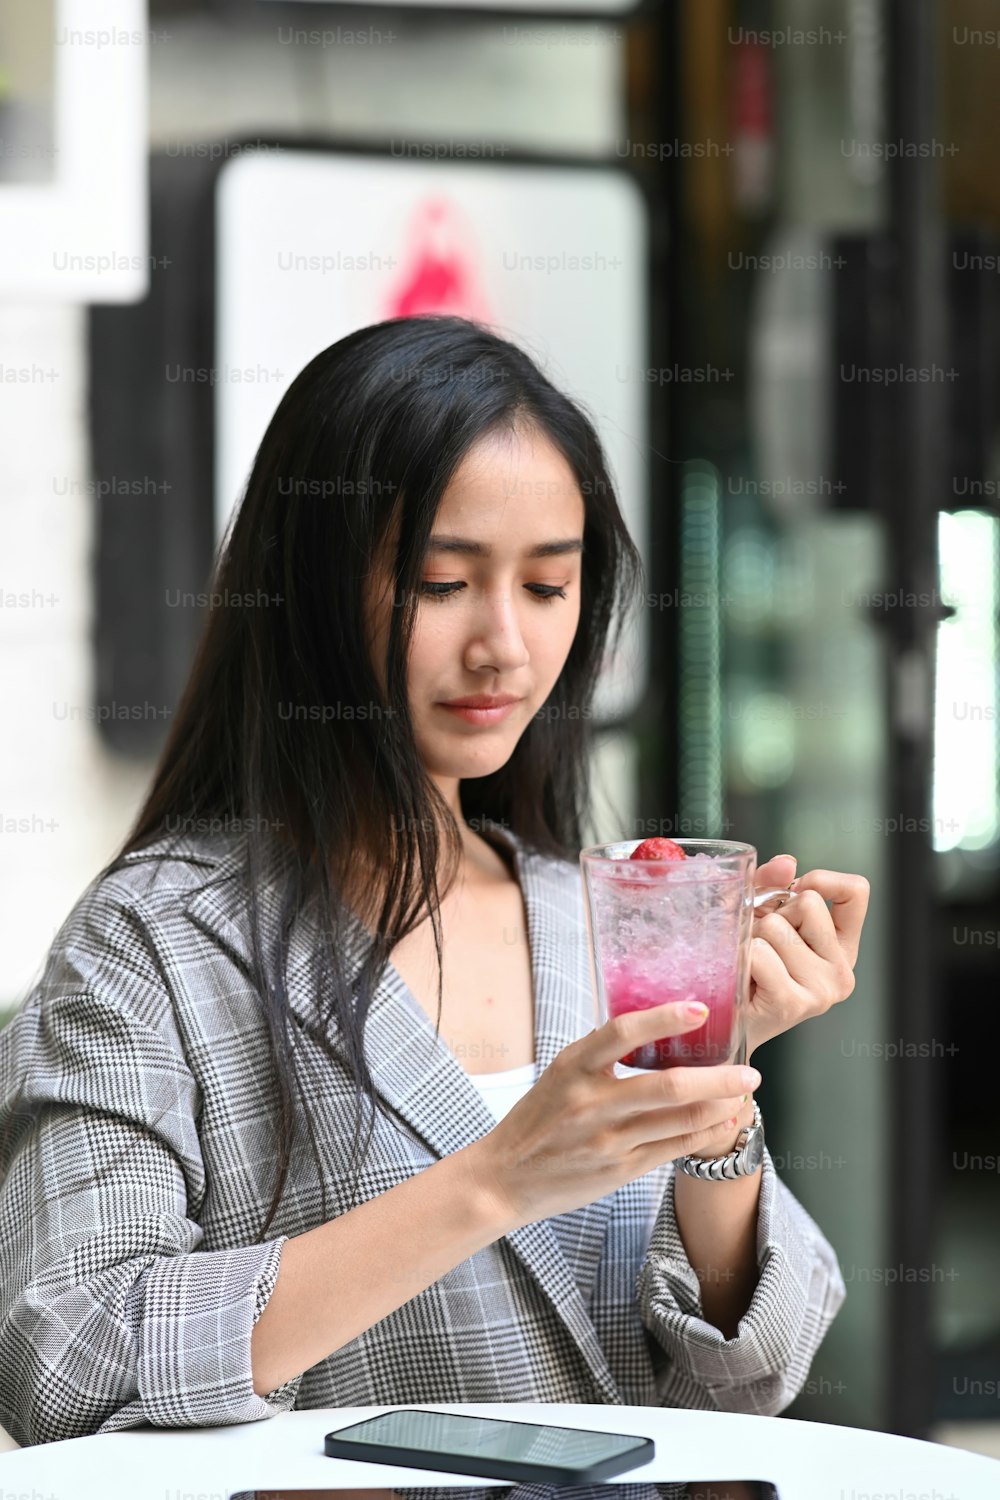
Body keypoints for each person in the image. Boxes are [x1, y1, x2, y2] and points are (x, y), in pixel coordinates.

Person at [0, 315, 868, 1448]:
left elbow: (753, 1375)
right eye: (441, 581)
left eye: (549, 589)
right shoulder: (155, 941)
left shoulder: (591, 916)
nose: (503, 645)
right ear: (310, 589)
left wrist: (710, 1089)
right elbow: (64, 1356)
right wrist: (498, 1179)